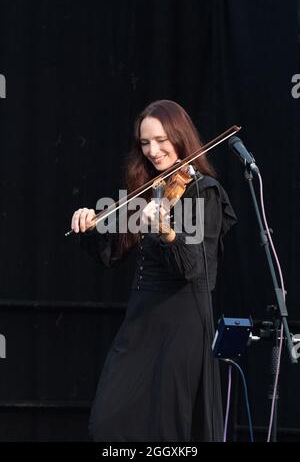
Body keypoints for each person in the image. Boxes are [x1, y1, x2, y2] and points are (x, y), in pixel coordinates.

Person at [71, 99, 237, 442]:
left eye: (161, 140)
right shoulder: (152, 189)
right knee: (108, 423)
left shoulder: (203, 192)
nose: (153, 150)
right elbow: (111, 256)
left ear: (180, 137)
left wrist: (165, 230)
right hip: (142, 319)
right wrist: (89, 229)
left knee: (169, 429)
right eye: (145, 143)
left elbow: (190, 267)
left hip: (183, 321)